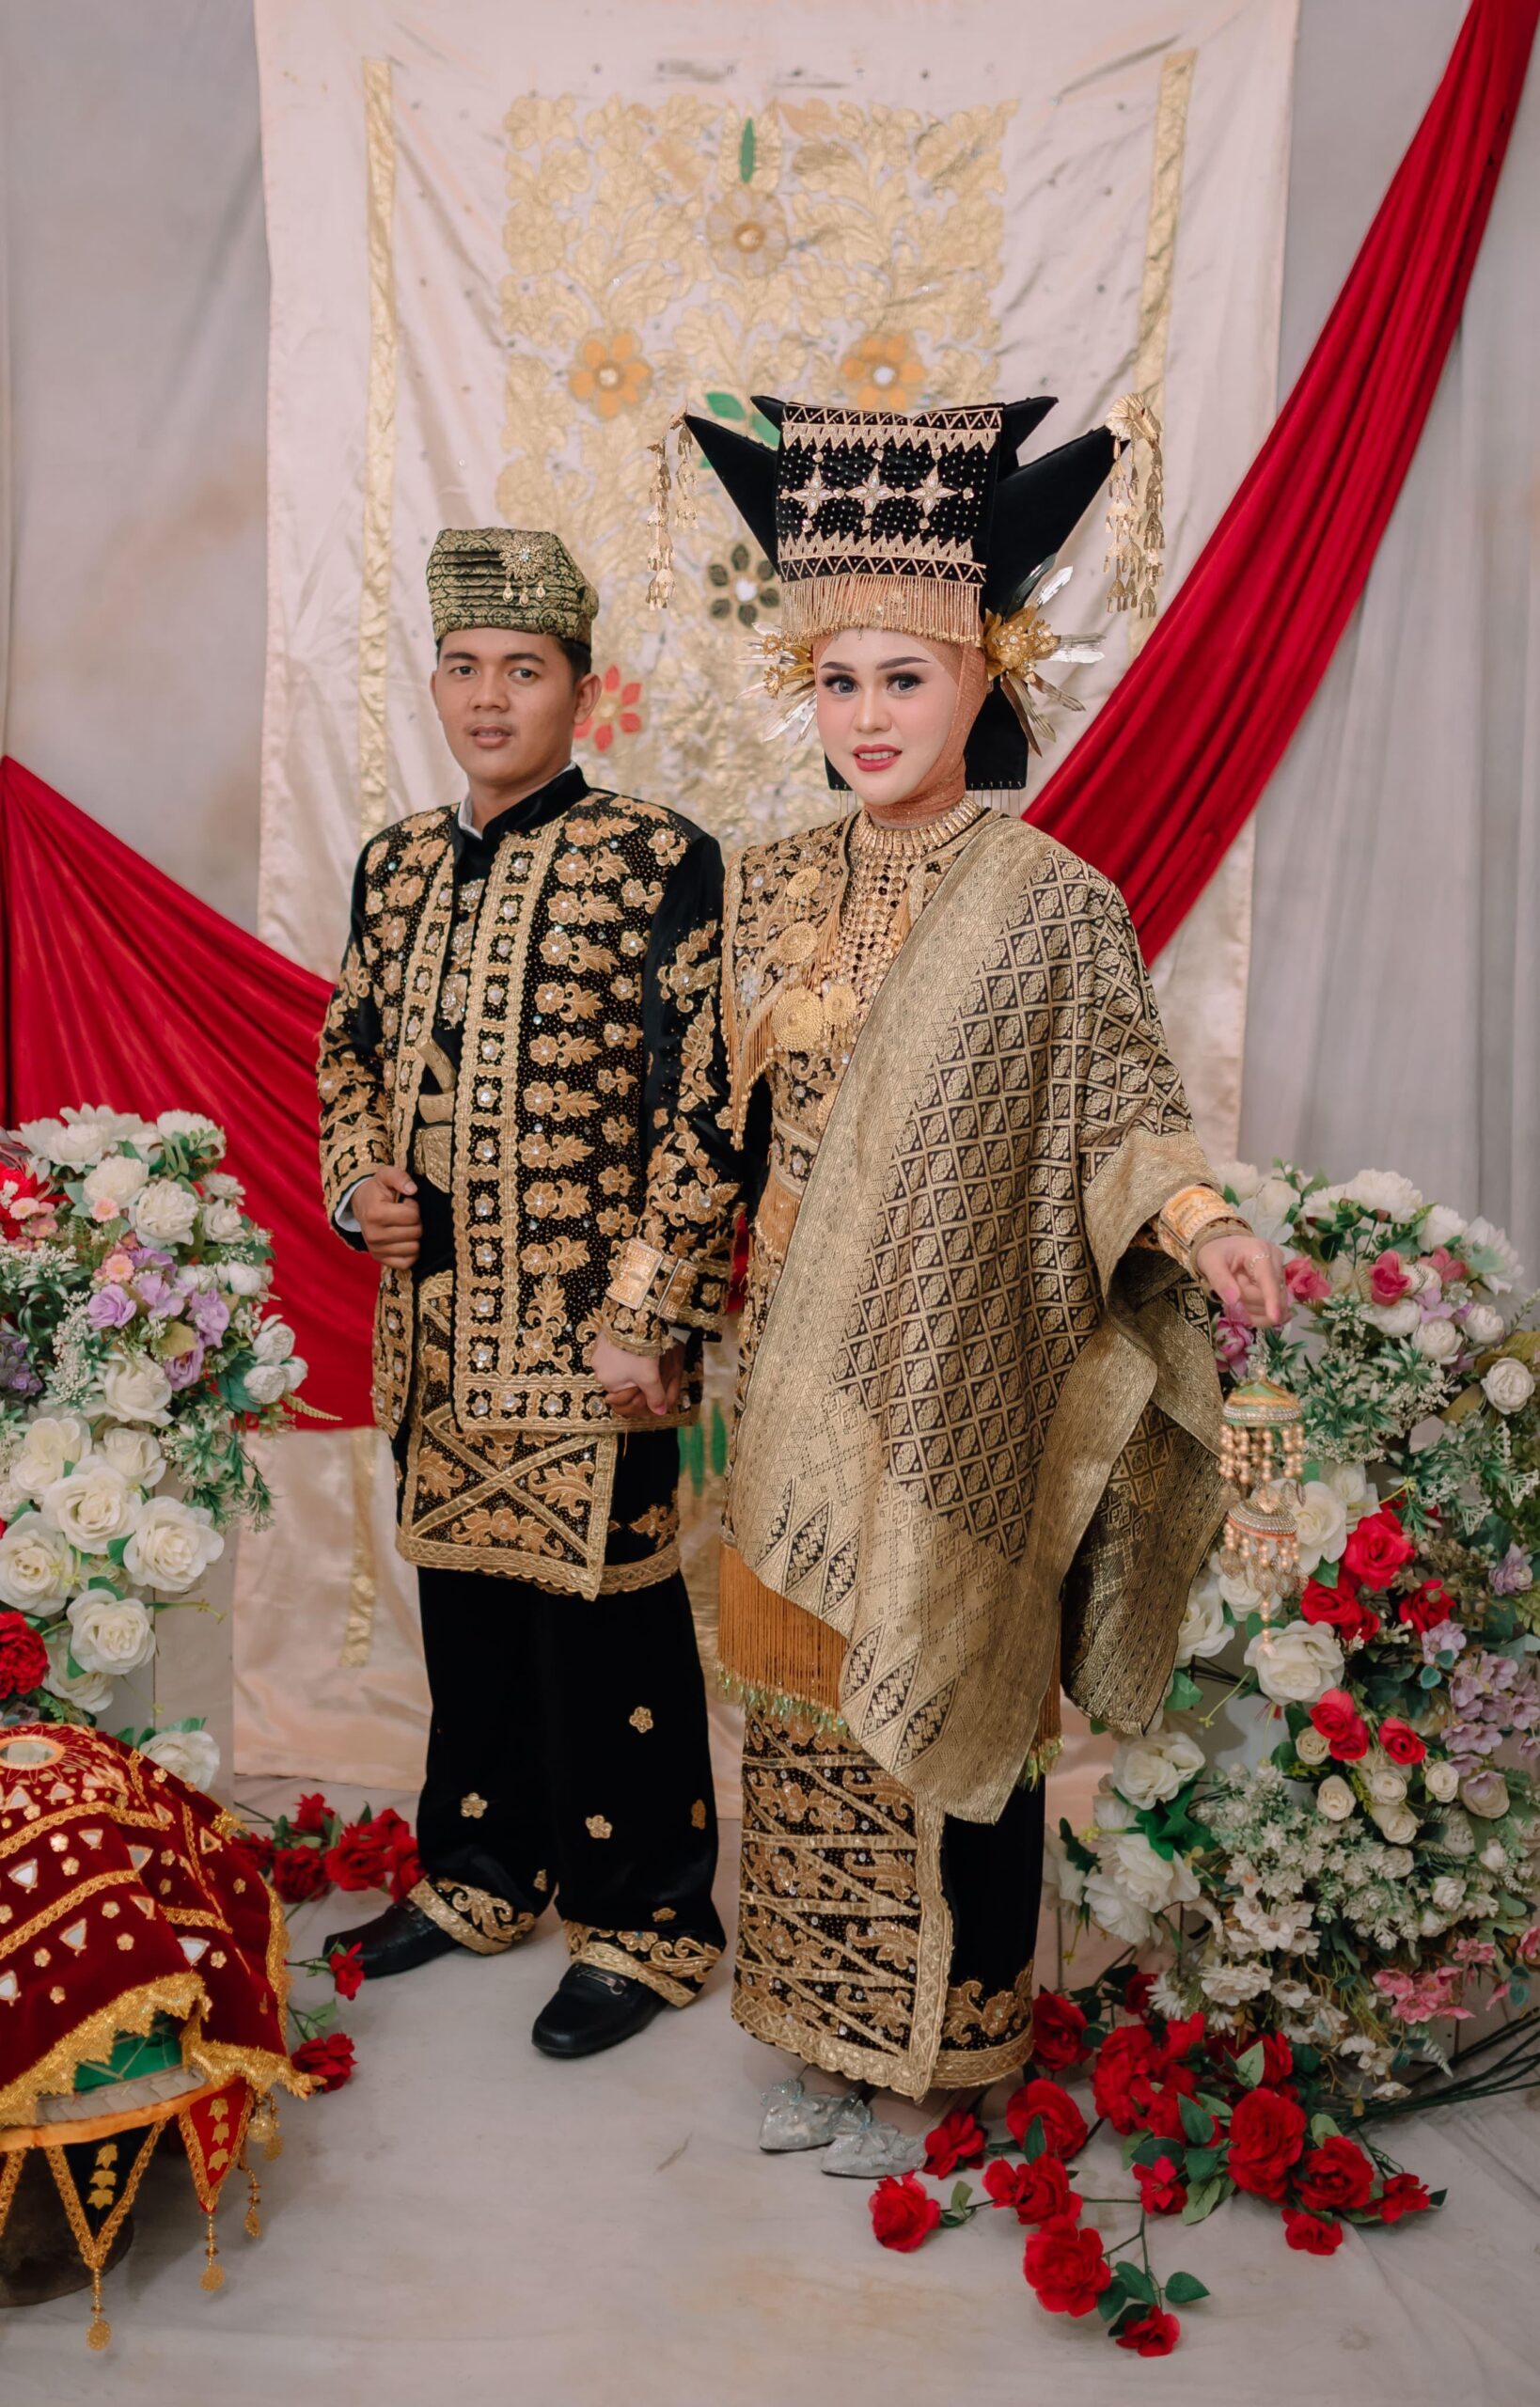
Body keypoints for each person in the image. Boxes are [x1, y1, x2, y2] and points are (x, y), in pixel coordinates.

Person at [590, 395, 1285, 2149]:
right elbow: (703, 1132)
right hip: (791, 1380)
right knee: (806, 1713)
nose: (868, 716)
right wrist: (645, 1314)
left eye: (904, 678)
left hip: (963, 1381)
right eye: (837, 681)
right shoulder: (762, 892)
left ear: (988, 674)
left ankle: (954, 2054)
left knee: (953, 1689)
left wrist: (1202, 1225)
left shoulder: (1053, 903)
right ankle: (826, 2038)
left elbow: (1122, 1112)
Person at [317, 527, 731, 2058]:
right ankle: (485, 1873)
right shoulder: (395, 866)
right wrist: (357, 1182)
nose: (488, 699)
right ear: (434, 681)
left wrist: (651, 1308)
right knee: (471, 1623)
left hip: (593, 1343)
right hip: (434, 1336)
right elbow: (348, 1049)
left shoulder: (657, 857)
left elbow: (708, 1100)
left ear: (579, 689)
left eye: (523, 670)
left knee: (612, 1641)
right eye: (463, 667)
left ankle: (647, 1921)